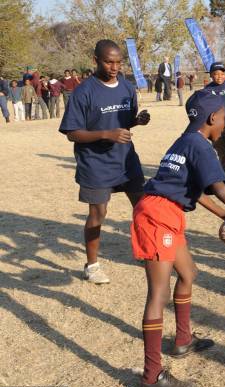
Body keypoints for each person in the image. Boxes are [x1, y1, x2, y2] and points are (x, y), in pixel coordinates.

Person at [132, 91, 225, 387]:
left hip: (167, 211)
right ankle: (151, 376)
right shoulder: (201, 145)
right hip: (157, 216)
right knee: (158, 293)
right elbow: (219, 187)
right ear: (212, 119)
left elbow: (196, 190)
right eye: (224, 118)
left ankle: (183, 339)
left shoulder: (185, 140)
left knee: (189, 273)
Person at [59, 39, 150, 284]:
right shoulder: (83, 92)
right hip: (95, 163)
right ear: (96, 60)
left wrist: (137, 121)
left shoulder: (127, 87)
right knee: (98, 213)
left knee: (143, 206)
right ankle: (92, 265)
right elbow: (71, 133)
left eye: (118, 62)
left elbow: (124, 121)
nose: (114, 67)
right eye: (109, 62)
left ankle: (146, 252)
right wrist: (105, 135)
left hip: (126, 160)